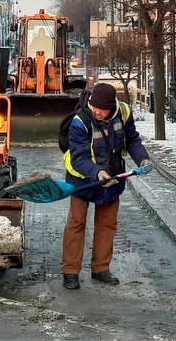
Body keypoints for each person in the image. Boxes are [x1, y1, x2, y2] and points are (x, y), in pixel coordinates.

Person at [61, 82, 150, 289]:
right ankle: (70, 272)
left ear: (112, 108)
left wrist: (142, 159)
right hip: (82, 180)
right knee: (76, 224)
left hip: (112, 177)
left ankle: (101, 269)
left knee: (107, 224)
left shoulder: (123, 113)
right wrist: (97, 173)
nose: (97, 112)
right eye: (94, 108)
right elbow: (78, 157)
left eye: (102, 109)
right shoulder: (79, 121)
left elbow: (132, 140)